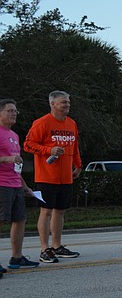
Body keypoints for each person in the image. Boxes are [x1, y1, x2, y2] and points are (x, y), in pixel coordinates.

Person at [23, 90, 82, 263]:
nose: (67, 105)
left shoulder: (71, 124)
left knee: (60, 211)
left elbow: (75, 146)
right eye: (63, 102)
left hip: (65, 176)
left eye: (68, 102)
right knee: (46, 211)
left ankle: (57, 246)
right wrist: (49, 150)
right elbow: (27, 144)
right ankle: (44, 249)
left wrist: (78, 165)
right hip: (46, 176)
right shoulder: (42, 123)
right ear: (52, 104)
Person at [1, 99, 39, 271]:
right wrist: (6, 159)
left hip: (15, 184)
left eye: (15, 111)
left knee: (20, 220)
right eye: (9, 110)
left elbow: (16, 166)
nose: (14, 113)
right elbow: (9, 160)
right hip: (2, 184)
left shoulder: (14, 136)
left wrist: (24, 185)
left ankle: (17, 258)